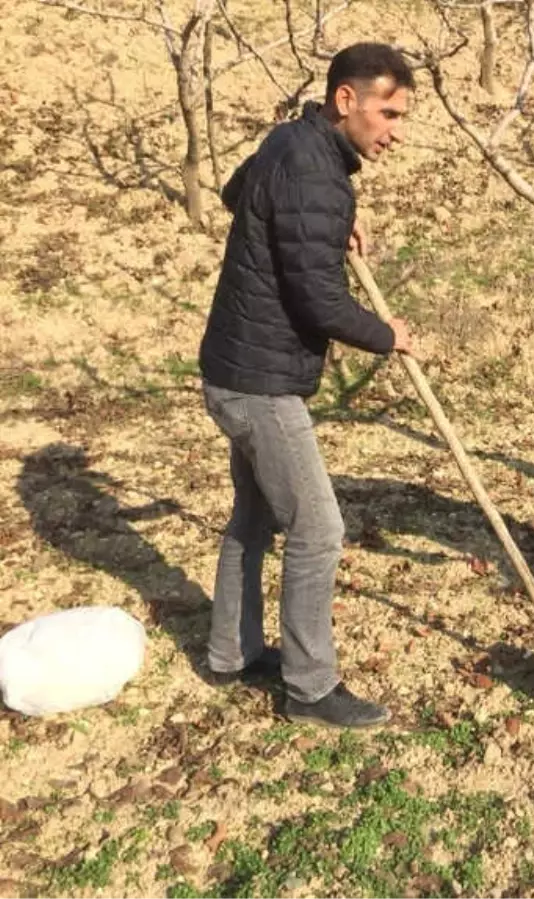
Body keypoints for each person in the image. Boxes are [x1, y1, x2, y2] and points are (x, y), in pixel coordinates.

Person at [198, 43, 416, 729]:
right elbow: (319, 302)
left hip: (233, 368)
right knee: (319, 528)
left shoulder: (292, 142)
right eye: (387, 112)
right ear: (345, 100)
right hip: (260, 383)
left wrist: (317, 224)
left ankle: (230, 654)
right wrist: (389, 335)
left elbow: (240, 195)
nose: (394, 130)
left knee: (254, 517)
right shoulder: (316, 175)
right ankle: (310, 688)